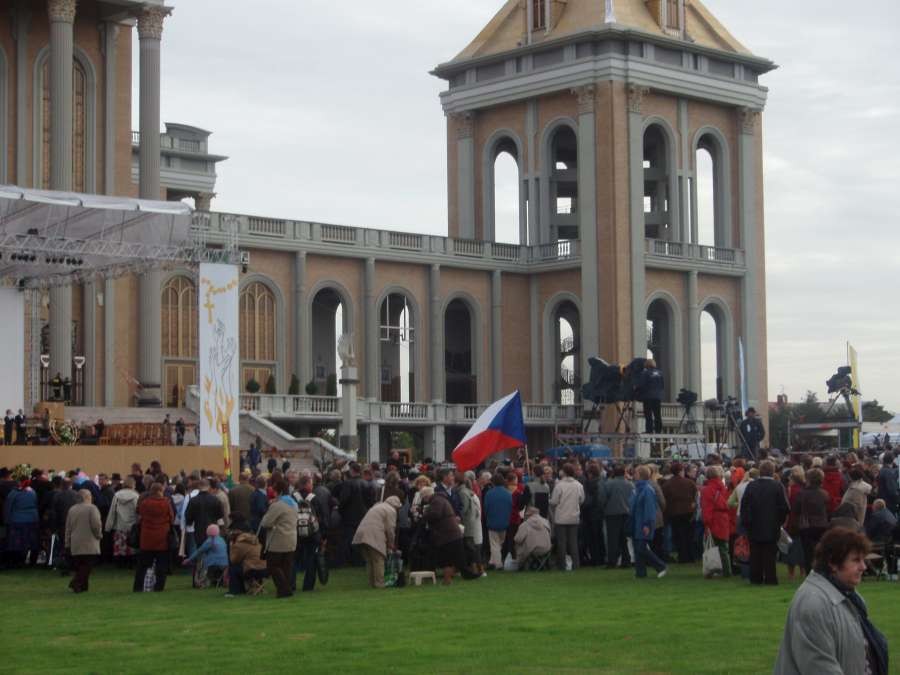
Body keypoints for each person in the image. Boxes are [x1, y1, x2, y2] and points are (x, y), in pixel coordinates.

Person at [774, 528, 889, 675]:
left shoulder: (849, 595)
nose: (863, 567)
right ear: (833, 563)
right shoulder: (813, 604)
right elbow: (819, 667)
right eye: (856, 560)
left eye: (863, 560)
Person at [740, 460, 790, 585]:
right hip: (772, 525)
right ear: (773, 471)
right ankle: (770, 578)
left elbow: (744, 506)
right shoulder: (777, 486)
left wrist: (746, 522)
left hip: (754, 524)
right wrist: (780, 521)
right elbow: (784, 507)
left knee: (755, 553)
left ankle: (755, 578)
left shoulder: (751, 486)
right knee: (770, 554)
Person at [422, 487, 477, 584]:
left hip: (447, 534)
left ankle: (450, 579)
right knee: (456, 558)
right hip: (452, 533)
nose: (423, 500)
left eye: (423, 497)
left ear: (426, 496)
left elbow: (436, 514)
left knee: (447, 559)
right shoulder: (440, 499)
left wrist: (424, 514)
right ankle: (457, 576)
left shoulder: (436, 501)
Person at [352, 495, 402, 588]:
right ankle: (380, 584)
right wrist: (391, 544)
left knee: (370, 561)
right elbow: (390, 529)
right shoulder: (391, 510)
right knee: (378, 560)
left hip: (360, 535)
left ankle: (372, 583)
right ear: (396, 505)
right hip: (373, 535)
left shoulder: (377, 506)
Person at [133, 482, 174, 592]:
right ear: (160, 491)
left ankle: (138, 587)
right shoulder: (166, 503)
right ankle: (159, 587)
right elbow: (171, 518)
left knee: (142, 566)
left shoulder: (145, 503)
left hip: (146, 538)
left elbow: (139, 513)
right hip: (162, 538)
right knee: (161, 566)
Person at [260, 479, 297, 598]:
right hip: (291, 538)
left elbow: (266, 522)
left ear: (279, 492)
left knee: (272, 566)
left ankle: (284, 589)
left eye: (275, 492)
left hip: (278, 540)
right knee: (286, 567)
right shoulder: (294, 503)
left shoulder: (278, 505)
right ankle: (285, 589)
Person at [629, 465, 667, 579]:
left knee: (641, 548)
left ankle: (661, 566)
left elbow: (650, 509)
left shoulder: (647, 490)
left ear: (640, 475)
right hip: (637, 522)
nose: (634, 475)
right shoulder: (637, 489)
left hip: (643, 523)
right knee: (638, 548)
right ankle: (640, 573)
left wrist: (647, 524)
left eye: (636, 473)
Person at [791, 468, 830, 577]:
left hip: (806, 525)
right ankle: (821, 573)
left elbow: (796, 510)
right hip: (822, 525)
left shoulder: (802, 494)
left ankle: (810, 574)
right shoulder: (824, 494)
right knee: (821, 552)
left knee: (808, 552)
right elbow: (829, 509)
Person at [64, 490, 102, 593]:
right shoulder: (92, 508)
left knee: (80, 565)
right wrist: (99, 535)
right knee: (87, 566)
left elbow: (68, 527)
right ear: (86, 497)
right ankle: (76, 583)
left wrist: (67, 542)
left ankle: (83, 586)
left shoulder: (72, 509)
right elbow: (96, 524)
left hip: (75, 542)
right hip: (89, 541)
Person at [549, 463, 585, 571]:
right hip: (574, 517)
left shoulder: (559, 485)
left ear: (564, 472)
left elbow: (554, 501)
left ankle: (562, 565)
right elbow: (582, 500)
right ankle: (576, 564)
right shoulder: (579, 485)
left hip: (561, 518)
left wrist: (549, 500)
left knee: (562, 543)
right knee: (573, 542)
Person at [598, 464, 634, 568]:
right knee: (624, 538)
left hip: (612, 514)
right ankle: (626, 560)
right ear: (624, 473)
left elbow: (602, 499)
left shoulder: (609, 484)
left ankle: (612, 561)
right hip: (626, 513)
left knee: (612, 539)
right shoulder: (630, 484)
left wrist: (604, 508)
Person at [663, 462, 698, 563]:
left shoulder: (667, 484)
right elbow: (695, 497)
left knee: (678, 535)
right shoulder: (690, 483)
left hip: (674, 513)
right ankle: (690, 556)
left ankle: (682, 556)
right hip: (689, 512)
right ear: (681, 471)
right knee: (689, 535)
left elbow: (665, 499)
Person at [700, 466, 731, 578]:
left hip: (713, 519)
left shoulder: (706, 490)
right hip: (723, 518)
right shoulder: (723, 487)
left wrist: (706, 523)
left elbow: (706, 508)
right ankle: (727, 570)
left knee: (711, 546)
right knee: (723, 547)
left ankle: (712, 569)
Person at [226, 514, 268, 596]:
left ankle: (235, 590)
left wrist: (231, 546)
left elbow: (233, 560)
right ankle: (253, 587)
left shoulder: (239, 544)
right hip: (265, 569)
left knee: (233, 568)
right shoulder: (255, 540)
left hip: (253, 570)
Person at [105, 476, 139, 566]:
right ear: (133, 485)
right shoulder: (136, 496)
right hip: (132, 525)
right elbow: (137, 511)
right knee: (131, 545)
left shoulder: (117, 495)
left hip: (119, 525)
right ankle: (130, 563)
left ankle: (120, 563)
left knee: (120, 545)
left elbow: (112, 511)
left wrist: (108, 526)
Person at [5, 481, 40, 566]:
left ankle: (18, 561)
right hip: (32, 519)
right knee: (31, 541)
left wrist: (7, 520)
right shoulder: (32, 492)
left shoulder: (13, 493)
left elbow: (8, 507)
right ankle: (32, 560)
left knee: (17, 542)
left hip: (17, 520)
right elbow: (36, 504)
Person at [483, 473, 512, 570]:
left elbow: (486, 508)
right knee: (499, 543)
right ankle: (492, 561)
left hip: (492, 521)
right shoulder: (508, 493)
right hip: (505, 521)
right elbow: (510, 507)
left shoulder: (489, 493)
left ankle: (498, 564)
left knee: (495, 544)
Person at [637, 359, 664, 434]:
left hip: (648, 396)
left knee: (648, 415)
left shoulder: (645, 373)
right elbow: (662, 385)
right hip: (657, 397)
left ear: (647, 365)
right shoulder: (660, 373)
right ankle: (658, 430)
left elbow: (641, 384)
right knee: (657, 414)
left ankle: (649, 430)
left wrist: (637, 391)